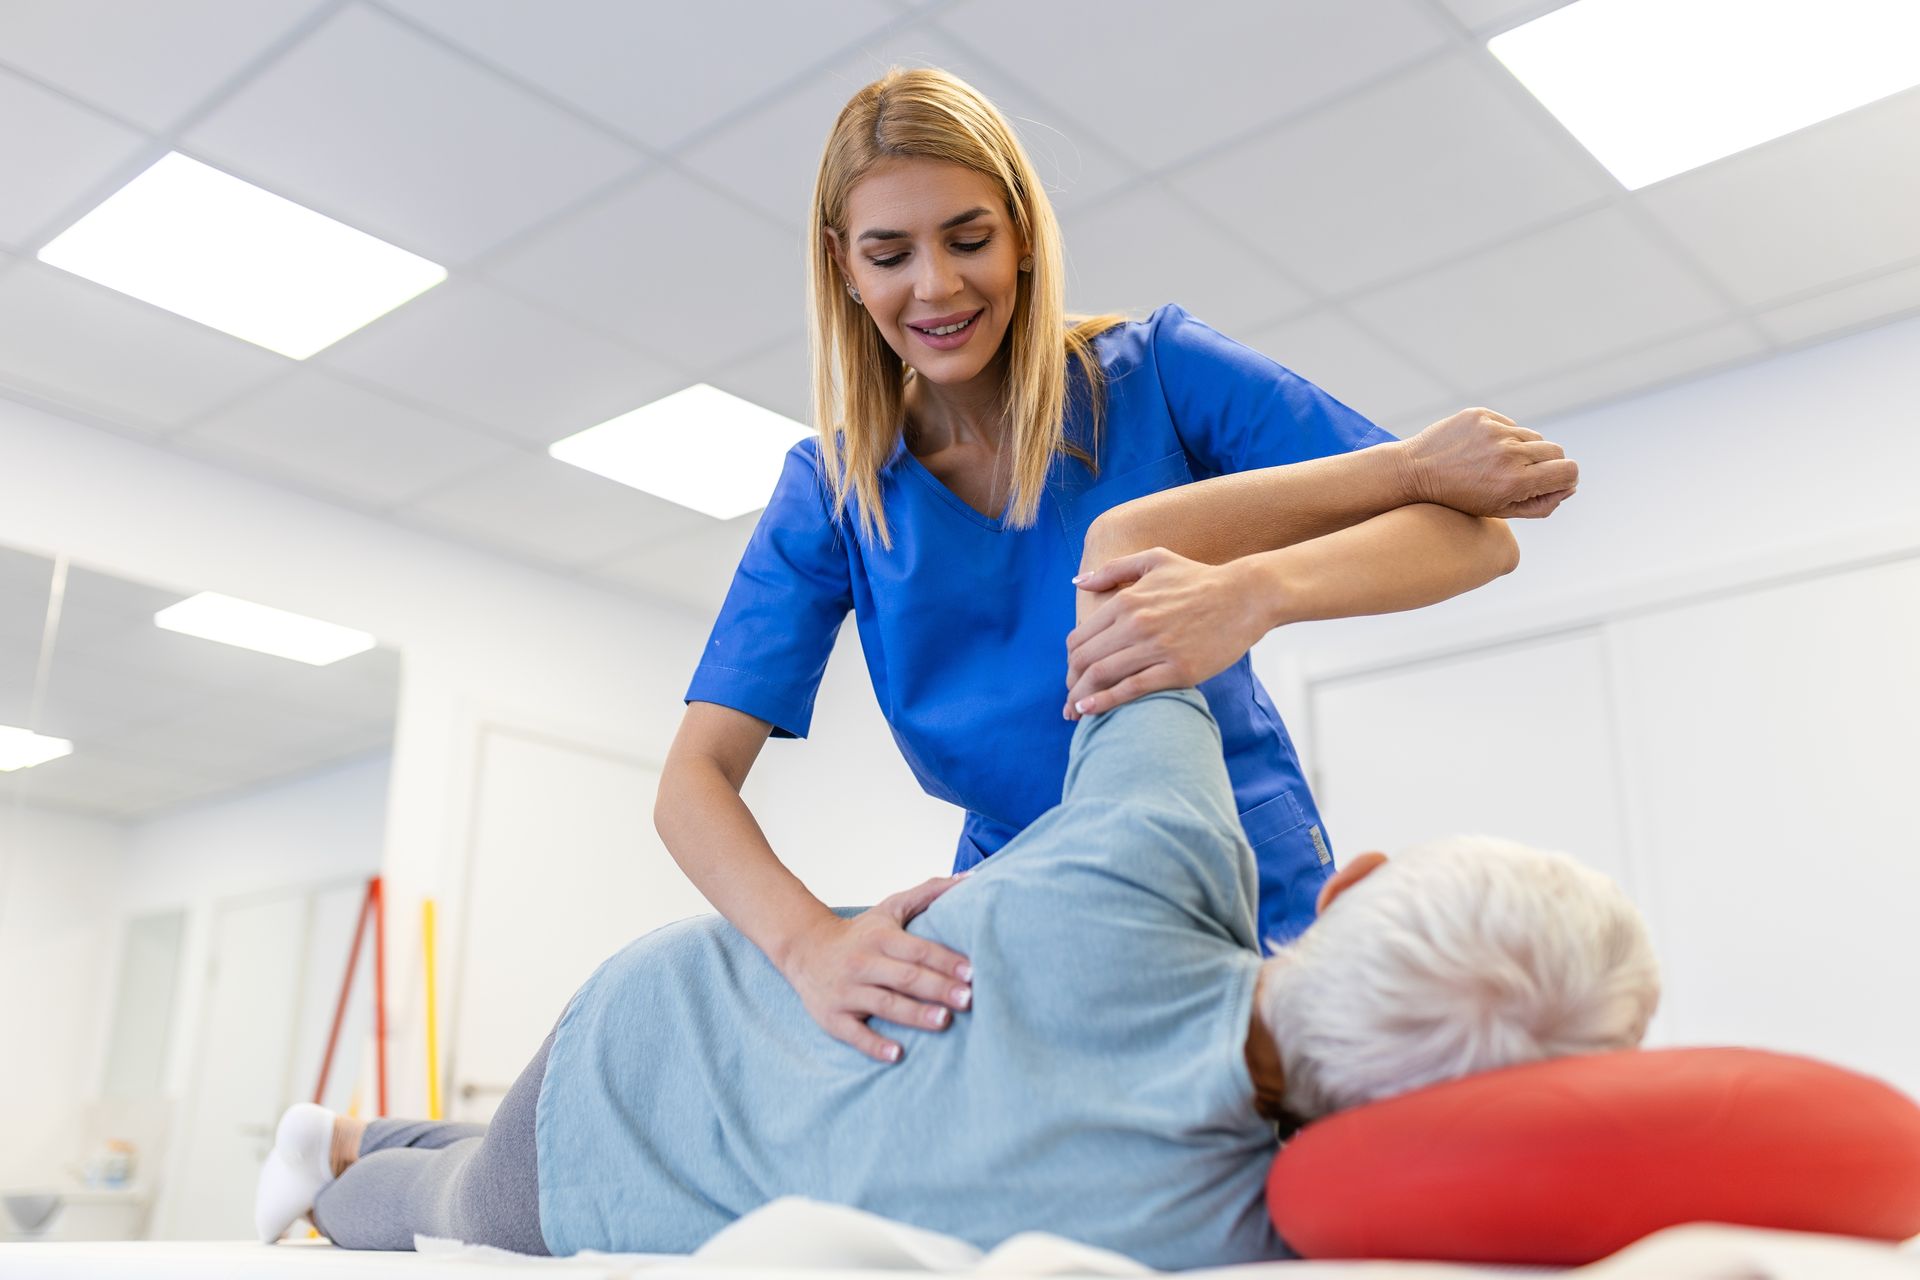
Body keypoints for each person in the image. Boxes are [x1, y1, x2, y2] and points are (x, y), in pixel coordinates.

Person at [255, 511, 1654, 1269]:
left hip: (667, 1015)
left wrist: (1259, 592)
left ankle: (350, 1135)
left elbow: (1128, 550)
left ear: (1348, 890)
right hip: (644, 1117)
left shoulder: (1159, 851)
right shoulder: (1229, 1225)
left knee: (464, 1169)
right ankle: (323, 1182)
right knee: (434, 1213)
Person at [655, 64, 1582, 1065]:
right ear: (843, 265)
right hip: (1022, 899)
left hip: (1231, 870)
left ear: (1019, 229)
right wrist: (809, 944)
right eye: (890, 254)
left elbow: (1474, 535)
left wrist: (1251, 592)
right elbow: (692, 780)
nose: (936, 285)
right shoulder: (837, 491)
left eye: (968, 238)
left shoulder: (1162, 377)